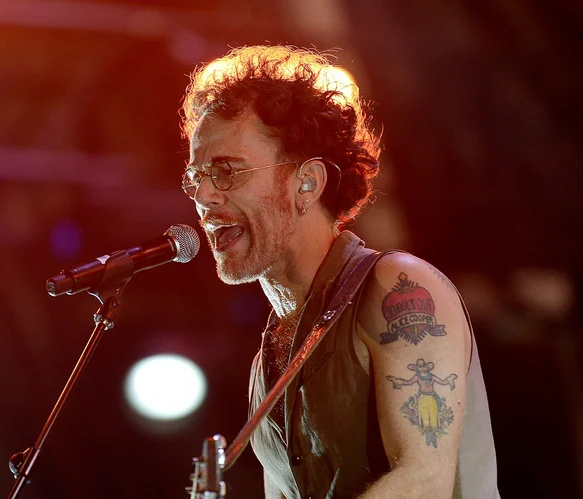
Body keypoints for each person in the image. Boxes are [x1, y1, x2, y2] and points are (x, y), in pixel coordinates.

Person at [180, 46, 499, 498]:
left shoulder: (398, 288)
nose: (205, 197)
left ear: (307, 182)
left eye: (226, 171)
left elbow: (424, 482)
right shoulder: (266, 364)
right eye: (196, 178)